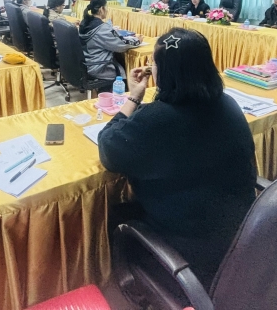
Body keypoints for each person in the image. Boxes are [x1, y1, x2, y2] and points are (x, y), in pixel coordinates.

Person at [98, 28, 257, 290]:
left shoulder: (157, 120)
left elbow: (107, 149)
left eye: (154, 63)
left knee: (117, 213)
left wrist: (134, 96)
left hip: (188, 250)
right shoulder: (227, 103)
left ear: (165, 72)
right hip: (240, 234)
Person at [78, 0, 141, 89]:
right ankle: (118, 95)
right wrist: (138, 40)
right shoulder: (101, 28)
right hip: (98, 67)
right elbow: (121, 45)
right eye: (106, 7)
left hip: (86, 62)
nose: (107, 10)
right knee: (124, 71)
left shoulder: (85, 23)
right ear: (101, 9)